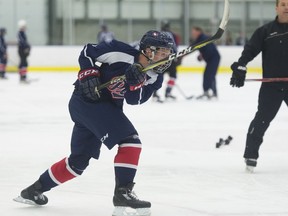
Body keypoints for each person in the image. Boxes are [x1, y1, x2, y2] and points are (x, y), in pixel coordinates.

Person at [14, 30, 174, 216]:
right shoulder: (119, 51)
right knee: (131, 141)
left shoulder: (155, 76)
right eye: (162, 52)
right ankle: (123, 193)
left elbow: (134, 100)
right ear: (148, 50)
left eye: (168, 53)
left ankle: (33, 191)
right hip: (86, 100)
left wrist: (135, 82)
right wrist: (88, 75)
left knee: (77, 163)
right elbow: (87, 52)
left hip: (101, 109)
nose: (166, 57)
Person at [230, 0, 288, 172]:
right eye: (283, 4)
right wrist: (241, 67)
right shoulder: (265, 31)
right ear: (276, 8)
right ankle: (251, 155)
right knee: (261, 120)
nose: (287, 7)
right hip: (272, 86)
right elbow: (249, 50)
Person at [153, 20, 181, 102]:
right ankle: (168, 93)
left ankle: (154, 93)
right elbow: (173, 46)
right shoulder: (170, 34)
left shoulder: (157, 34)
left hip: (160, 59)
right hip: (170, 58)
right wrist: (177, 56)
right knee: (173, 76)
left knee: (158, 76)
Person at [191, 27, 221, 99]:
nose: (192, 34)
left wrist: (202, 56)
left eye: (194, 32)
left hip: (214, 58)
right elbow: (192, 48)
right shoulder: (199, 39)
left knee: (209, 74)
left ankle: (210, 92)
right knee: (209, 74)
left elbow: (209, 50)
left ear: (199, 31)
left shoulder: (203, 38)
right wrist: (182, 55)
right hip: (212, 59)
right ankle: (209, 92)